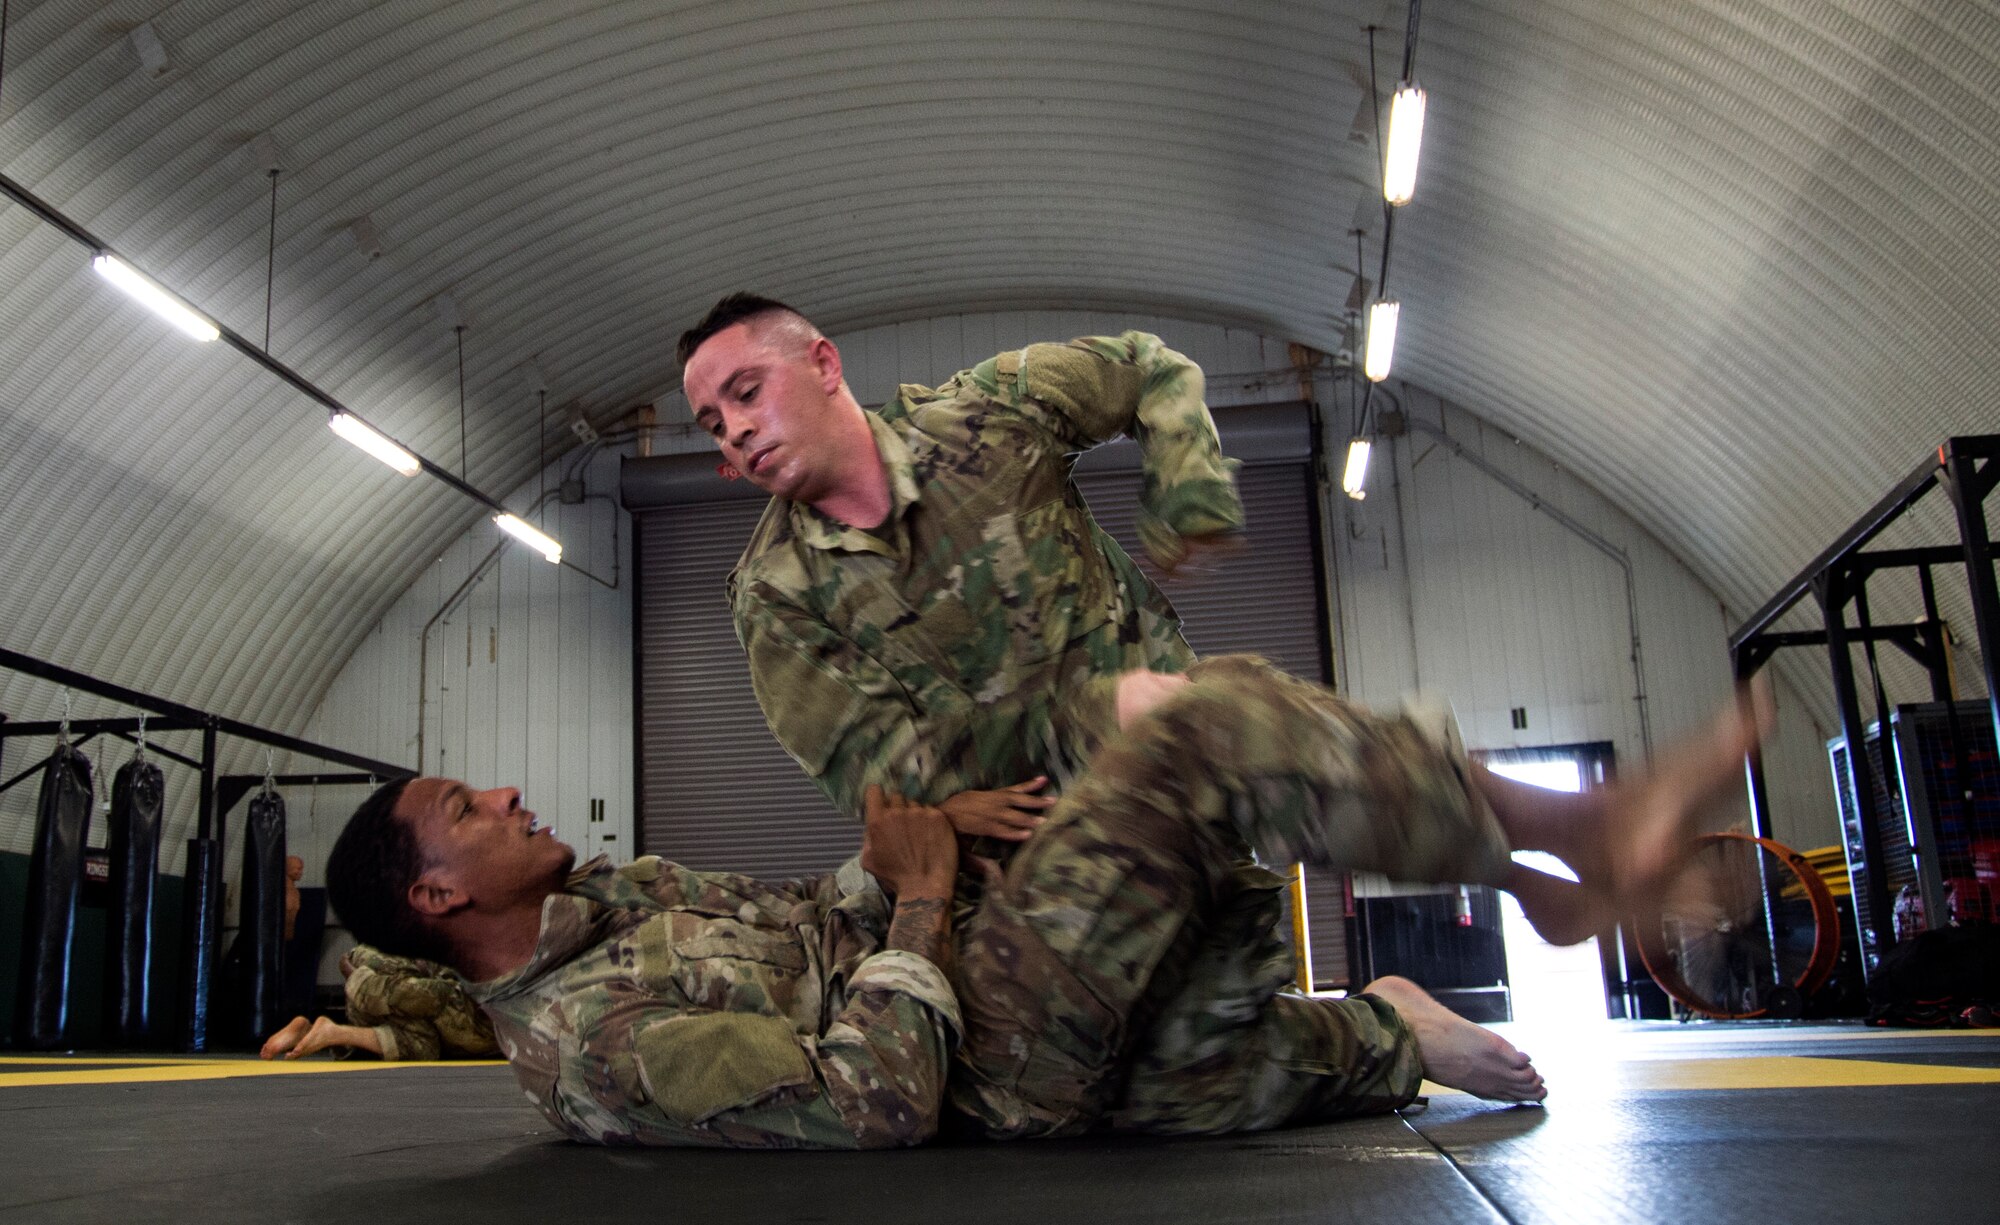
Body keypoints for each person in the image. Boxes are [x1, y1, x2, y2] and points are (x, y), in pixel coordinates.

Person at [323, 654, 1764, 1148]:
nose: (505, 793)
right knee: (1194, 758)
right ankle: (1573, 839)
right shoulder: (594, 1046)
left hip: (967, 964)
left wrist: (918, 846)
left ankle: (1493, 913)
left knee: (1147, 711)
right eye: (468, 809)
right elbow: (875, 1103)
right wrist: (922, 908)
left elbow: (812, 921)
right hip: (979, 1069)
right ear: (441, 893)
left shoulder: (622, 892)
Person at [678, 292, 1615, 943]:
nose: (736, 430)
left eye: (746, 392)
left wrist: (1187, 485)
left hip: (1188, 734)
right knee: (1187, 1076)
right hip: (1044, 853)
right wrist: (1081, 721)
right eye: (714, 424)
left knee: (1214, 718)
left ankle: (1554, 838)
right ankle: (1525, 864)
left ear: (823, 363)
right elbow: (880, 777)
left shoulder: (984, 420)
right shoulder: (776, 595)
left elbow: (1145, 369)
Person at [258, 943, 498, 1062]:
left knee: (420, 1034)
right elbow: (441, 994)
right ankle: (334, 1032)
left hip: (371, 973)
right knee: (424, 1045)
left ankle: (309, 1033)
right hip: (388, 982)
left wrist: (353, 972)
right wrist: (363, 983)